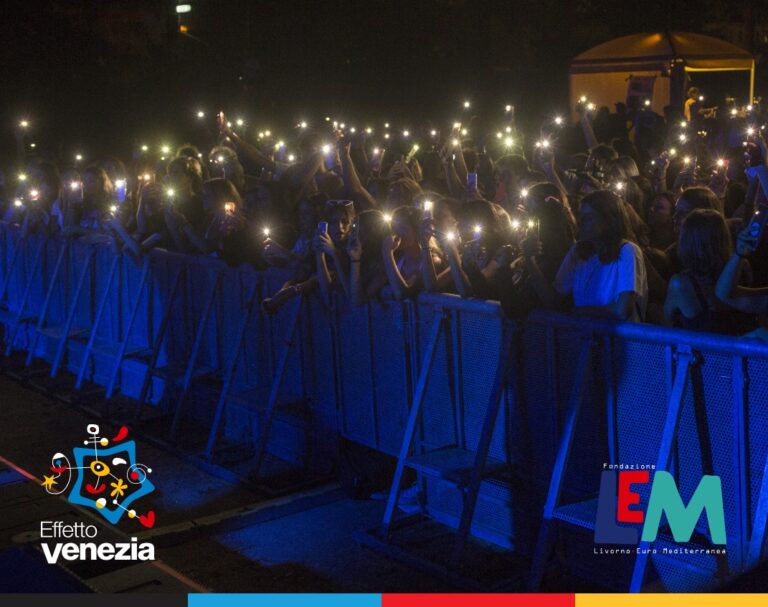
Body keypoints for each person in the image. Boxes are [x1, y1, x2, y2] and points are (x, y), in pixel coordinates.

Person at [524, 189, 648, 321]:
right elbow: (553, 300)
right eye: (581, 217)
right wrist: (530, 260)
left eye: (589, 218)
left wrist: (578, 312)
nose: (581, 223)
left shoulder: (628, 251)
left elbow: (622, 310)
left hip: (616, 334)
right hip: (583, 333)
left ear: (610, 221)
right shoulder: (578, 252)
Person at [664, 209, 754, 334]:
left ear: (686, 242)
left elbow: (666, 319)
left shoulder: (680, 284)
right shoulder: (742, 268)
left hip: (698, 347)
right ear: (724, 239)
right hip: (741, 345)